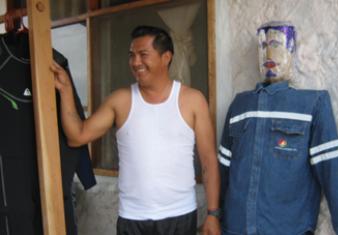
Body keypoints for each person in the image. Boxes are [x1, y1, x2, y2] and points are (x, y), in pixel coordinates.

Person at [51, 25, 221, 235]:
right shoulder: (120, 100)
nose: (135, 62)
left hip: (180, 216)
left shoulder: (193, 100)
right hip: (133, 219)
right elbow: (77, 137)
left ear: (166, 57)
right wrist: (66, 90)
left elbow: (209, 161)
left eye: (143, 55)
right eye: (132, 55)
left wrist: (213, 214)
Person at [218, 21, 338, 235]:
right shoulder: (240, 105)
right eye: (262, 46)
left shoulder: (312, 104)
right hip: (235, 228)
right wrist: (214, 216)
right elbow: (223, 170)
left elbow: (331, 171)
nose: (269, 53)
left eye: (276, 44)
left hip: (287, 229)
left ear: (292, 51)